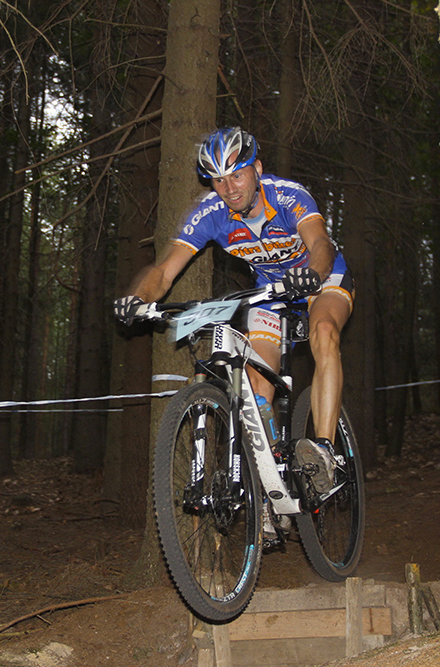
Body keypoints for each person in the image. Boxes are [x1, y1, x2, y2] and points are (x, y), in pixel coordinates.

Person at [113, 127, 354, 494]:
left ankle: (324, 452)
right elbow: (163, 272)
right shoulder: (211, 213)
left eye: (237, 175)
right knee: (257, 385)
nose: (228, 188)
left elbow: (320, 243)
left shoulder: (288, 196)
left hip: (320, 278)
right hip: (270, 292)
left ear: (256, 169)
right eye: (218, 180)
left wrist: (313, 274)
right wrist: (137, 298)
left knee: (323, 331)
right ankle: (274, 482)